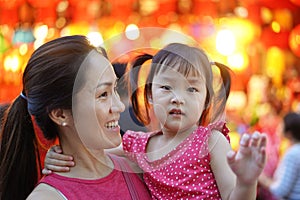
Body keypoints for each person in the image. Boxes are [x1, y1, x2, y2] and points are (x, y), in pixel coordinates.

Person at [44, 43, 267, 199]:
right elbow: (92, 155)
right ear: (150, 95)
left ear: (206, 100)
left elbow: (232, 196)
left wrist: (247, 182)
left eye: (191, 89)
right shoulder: (139, 146)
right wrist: (60, 154)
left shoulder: (211, 142)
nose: (177, 98)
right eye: (166, 87)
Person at [0, 35, 151, 200]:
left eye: (114, 88)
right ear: (60, 114)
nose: (119, 106)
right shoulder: (48, 197)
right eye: (103, 94)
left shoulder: (138, 168)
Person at [258, 112, 300, 200]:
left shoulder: (293, 154)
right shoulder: (294, 149)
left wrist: (260, 177)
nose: (278, 127)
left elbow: (281, 190)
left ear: (289, 132)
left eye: (281, 125)